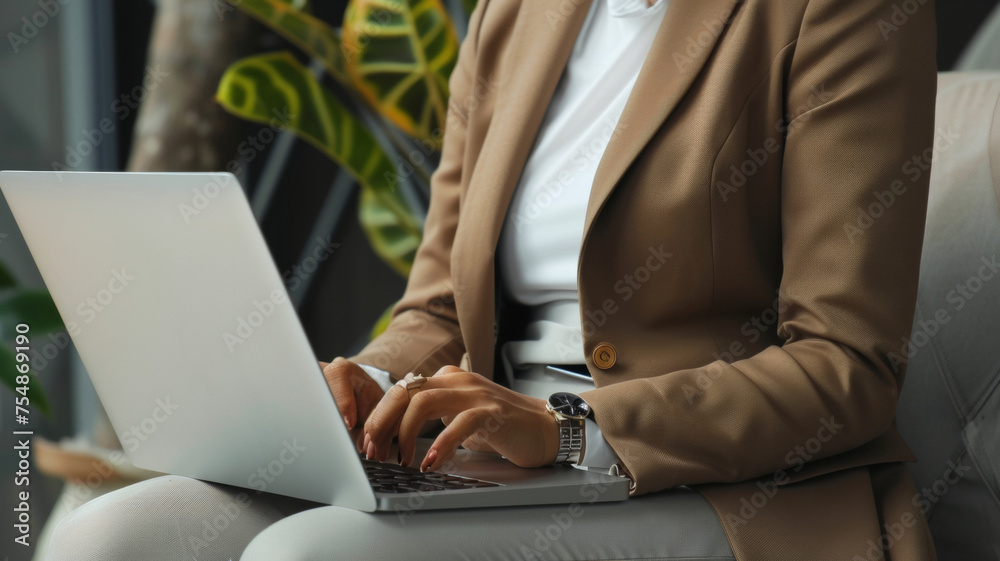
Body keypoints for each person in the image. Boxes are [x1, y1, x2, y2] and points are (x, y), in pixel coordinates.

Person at [46, 0, 939, 559]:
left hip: (725, 488)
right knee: (109, 537)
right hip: (483, 460)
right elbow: (435, 305)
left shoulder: (840, 11)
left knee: (314, 555)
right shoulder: (514, 17)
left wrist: (571, 429)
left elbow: (847, 365)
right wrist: (377, 381)